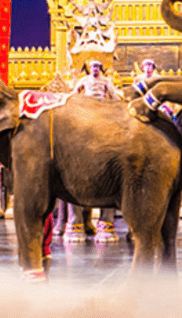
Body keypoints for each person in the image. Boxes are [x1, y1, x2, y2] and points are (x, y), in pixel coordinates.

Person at [70, 59, 119, 242]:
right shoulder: (84, 81)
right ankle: (77, 223)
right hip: (86, 111)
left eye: (98, 67)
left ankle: (105, 224)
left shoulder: (106, 81)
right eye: (93, 67)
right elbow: (74, 95)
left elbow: (113, 96)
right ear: (89, 69)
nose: (96, 70)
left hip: (103, 111)